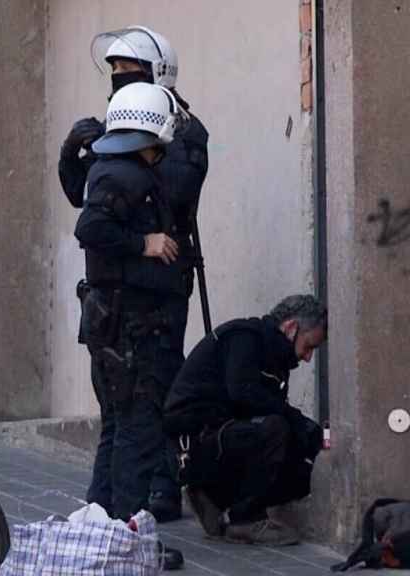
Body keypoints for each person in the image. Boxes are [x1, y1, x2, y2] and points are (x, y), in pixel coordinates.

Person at [60, 26, 210, 522]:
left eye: (131, 74)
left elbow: (170, 195)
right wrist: (74, 151)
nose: (119, 84)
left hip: (152, 300)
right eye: (115, 75)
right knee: (129, 422)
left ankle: (143, 504)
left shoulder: (180, 133)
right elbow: (91, 208)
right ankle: (116, 525)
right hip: (124, 307)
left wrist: (118, 145)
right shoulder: (123, 144)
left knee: (141, 417)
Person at [75, 81, 187, 570]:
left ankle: (103, 530)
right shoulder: (123, 175)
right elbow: (91, 229)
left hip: (115, 327)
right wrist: (146, 244)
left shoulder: (114, 168)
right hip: (132, 332)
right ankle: (126, 540)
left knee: (118, 430)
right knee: (135, 435)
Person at [164, 295, 327, 547]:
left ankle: (214, 498)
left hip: (220, 437)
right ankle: (245, 519)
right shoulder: (245, 338)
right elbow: (243, 395)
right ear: (291, 327)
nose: (307, 358)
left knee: (300, 459)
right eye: (308, 346)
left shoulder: (275, 357)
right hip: (193, 443)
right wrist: (295, 420)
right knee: (275, 429)